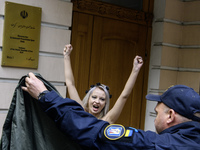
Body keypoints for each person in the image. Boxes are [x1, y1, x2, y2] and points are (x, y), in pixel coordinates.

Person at [22, 74, 200, 149]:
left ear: (170, 115)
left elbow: (94, 130)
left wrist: (45, 96)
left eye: (156, 113)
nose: (154, 119)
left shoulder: (161, 145)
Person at [63, 44, 143, 123]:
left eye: (102, 99)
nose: (97, 101)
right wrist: (66, 56)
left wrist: (135, 69)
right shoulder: (81, 112)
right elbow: (70, 84)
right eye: (94, 97)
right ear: (88, 99)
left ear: (105, 103)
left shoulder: (107, 120)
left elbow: (124, 96)